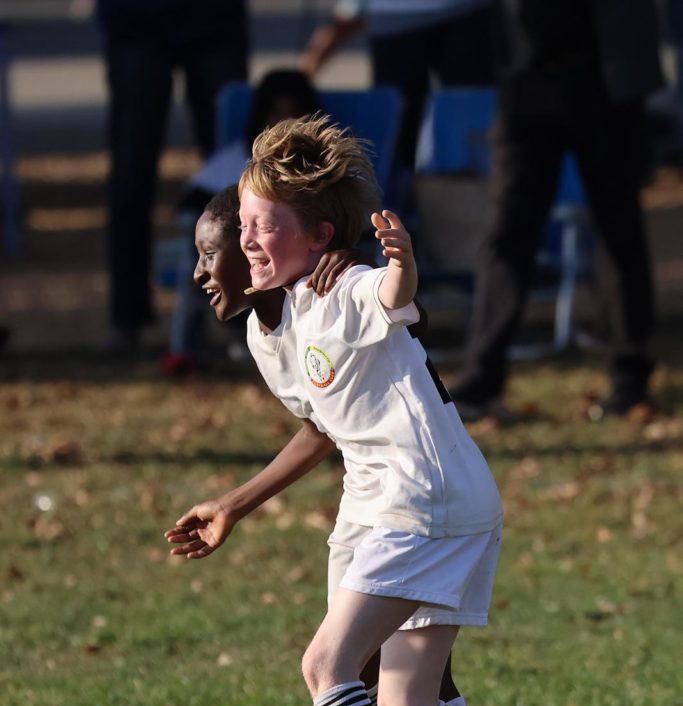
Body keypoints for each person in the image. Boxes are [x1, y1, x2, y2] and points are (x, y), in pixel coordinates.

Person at [167, 118, 574, 706]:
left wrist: (398, 258)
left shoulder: (342, 281)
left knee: (327, 662)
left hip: (420, 499)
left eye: (262, 226)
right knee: (402, 696)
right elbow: (324, 425)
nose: (245, 241)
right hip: (382, 501)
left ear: (318, 234)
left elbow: (389, 296)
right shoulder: (263, 329)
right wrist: (234, 504)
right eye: (239, 225)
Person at [450, 0, 663, 419]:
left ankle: (629, 380)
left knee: (619, 231)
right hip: (528, 80)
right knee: (508, 233)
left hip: (608, 78)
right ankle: (481, 380)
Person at [95, 0, 248, 353]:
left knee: (237, 173)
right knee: (130, 172)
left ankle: (244, 312)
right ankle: (127, 320)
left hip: (214, 19)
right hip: (134, 19)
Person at [165, 71, 323, 373]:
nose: (284, 122)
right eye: (276, 112)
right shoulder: (239, 161)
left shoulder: (324, 169)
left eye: (294, 113)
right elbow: (192, 202)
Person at [299, 0, 494, 206]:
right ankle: (396, 209)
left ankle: (474, 211)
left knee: (472, 123)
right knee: (397, 132)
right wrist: (350, 9)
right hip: (394, 16)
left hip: (465, 11)